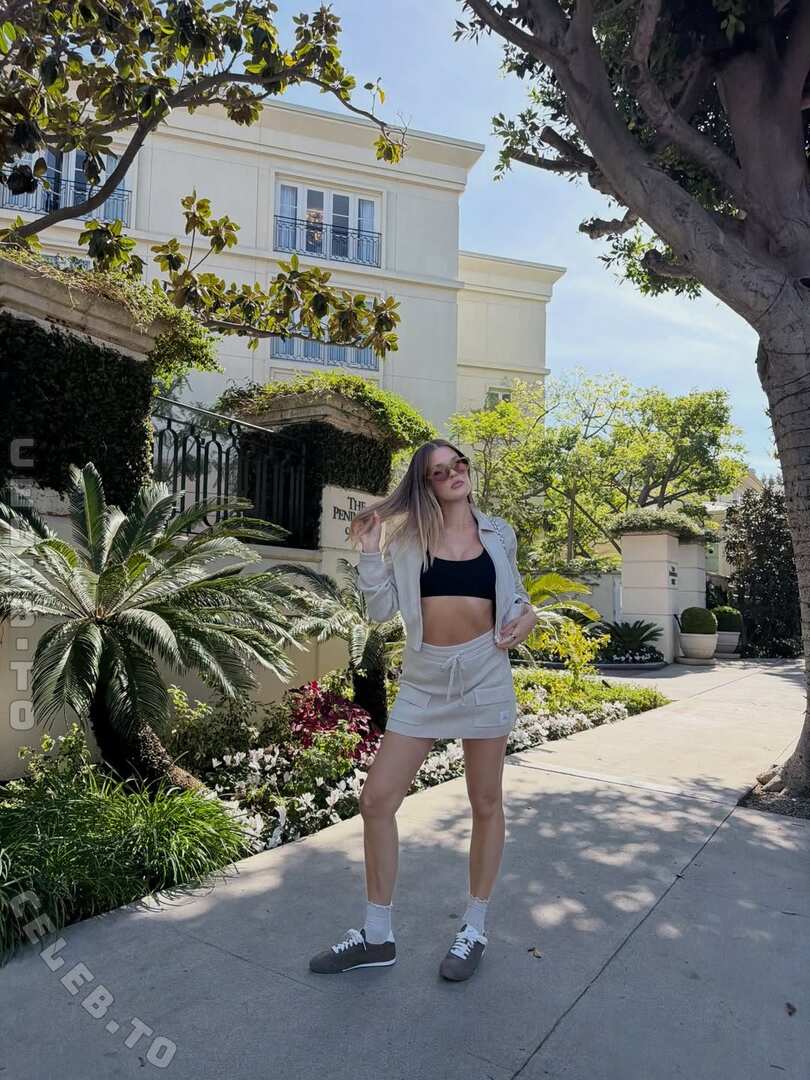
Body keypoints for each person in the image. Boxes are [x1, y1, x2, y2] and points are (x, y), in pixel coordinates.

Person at [308, 438, 537, 981]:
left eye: (458, 464)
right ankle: (377, 936)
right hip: (424, 681)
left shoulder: (498, 532)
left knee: (486, 801)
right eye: (439, 471)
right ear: (425, 484)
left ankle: (474, 926)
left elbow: (517, 598)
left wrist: (526, 618)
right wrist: (370, 551)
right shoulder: (407, 540)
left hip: (484, 674)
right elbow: (381, 611)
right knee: (376, 800)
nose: (454, 473)